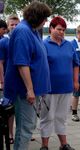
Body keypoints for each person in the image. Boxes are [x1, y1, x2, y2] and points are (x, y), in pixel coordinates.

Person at [3, 2, 52, 150]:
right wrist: (30, 90)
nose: (46, 22)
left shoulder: (32, 30)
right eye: (44, 18)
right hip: (24, 92)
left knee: (28, 126)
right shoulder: (23, 31)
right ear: (36, 17)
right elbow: (21, 63)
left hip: (32, 91)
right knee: (25, 129)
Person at [40, 16, 78, 150]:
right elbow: (39, 67)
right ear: (51, 29)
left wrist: (76, 81)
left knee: (61, 117)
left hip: (66, 88)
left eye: (63, 30)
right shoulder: (43, 45)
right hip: (49, 88)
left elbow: (75, 64)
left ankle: (63, 144)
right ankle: (45, 145)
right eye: (59, 29)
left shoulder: (69, 45)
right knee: (47, 117)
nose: (62, 32)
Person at [0, 14, 20, 144]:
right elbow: (0, 63)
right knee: (10, 111)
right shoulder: (3, 42)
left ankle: (21, 133)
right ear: (7, 27)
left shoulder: (21, 39)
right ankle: (10, 134)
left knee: (22, 110)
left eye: (16, 24)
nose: (14, 27)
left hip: (22, 82)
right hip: (9, 82)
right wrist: (2, 81)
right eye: (11, 24)